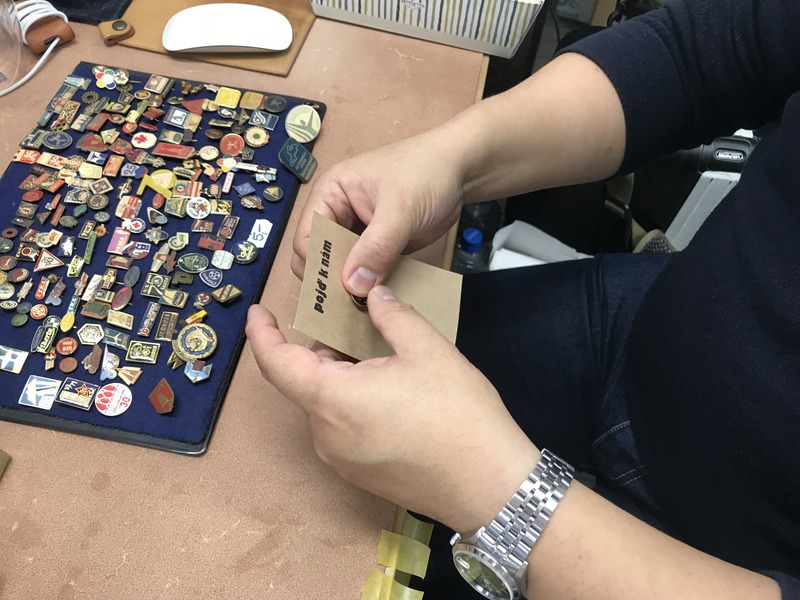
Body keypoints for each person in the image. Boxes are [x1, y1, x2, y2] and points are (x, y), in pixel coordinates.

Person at [245, 0, 800, 596]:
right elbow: (704, 54)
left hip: (735, 554)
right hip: (652, 320)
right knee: (310, 419)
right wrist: (451, 158)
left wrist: (495, 493)